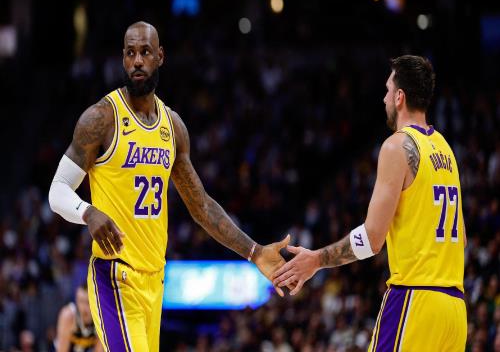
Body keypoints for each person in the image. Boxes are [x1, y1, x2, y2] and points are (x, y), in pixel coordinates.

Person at [49, 21, 290, 351]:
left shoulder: (172, 127)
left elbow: (201, 206)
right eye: (130, 53)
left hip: (154, 280)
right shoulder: (101, 118)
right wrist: (87, 212)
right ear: (123, 58)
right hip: (114, 277)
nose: (137, 61)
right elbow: (58, 189)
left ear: (160, 56)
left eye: (145, 52)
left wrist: (255, 251)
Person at [272, 55, 467, 351]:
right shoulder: (446, 150)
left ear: (400, 97)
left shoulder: (397, 146)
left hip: (415, 300)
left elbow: (373, 239)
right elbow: (461, 238)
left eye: (388, 90)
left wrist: (317, 260)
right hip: (454, 312)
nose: (384, 97)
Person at [55, 284, 103, 352]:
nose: (84, 308)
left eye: (88, 302)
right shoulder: (68, 316)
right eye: (81, 301)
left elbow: (99, 350)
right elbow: (62, 350)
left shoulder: (101, 318)